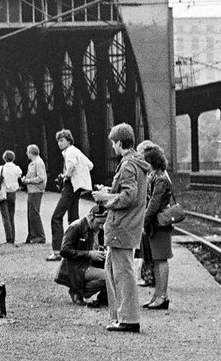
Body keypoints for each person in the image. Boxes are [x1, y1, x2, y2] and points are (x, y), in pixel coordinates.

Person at [90, 123, 149, 334]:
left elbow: (129, 196)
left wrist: (107, 197)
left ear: (119, 142)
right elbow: (127, 192)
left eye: (113, 143)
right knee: (113, 268)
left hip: (122, 226)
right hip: (124, 225)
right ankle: (119, 316)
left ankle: (129, 319)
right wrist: (110, 190)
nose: (113, 147)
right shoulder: (136, 163)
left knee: (122, 271)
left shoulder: (127, 165)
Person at [137, 140, 173, 310]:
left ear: (153, 162)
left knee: (161, 259)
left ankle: (163, 296)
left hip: (160, 223)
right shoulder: (156, 176)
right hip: (156, 224)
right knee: (157, 260)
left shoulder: (160, 179)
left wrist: (143, 221)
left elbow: (154, 203)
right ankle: (157, 295)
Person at [47, 129, 93, 262]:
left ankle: (57, 251)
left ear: (68, 140)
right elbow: (90, 165)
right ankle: (77, 247)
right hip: (77, 187)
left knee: (56, 217)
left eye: (62, 140)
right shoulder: (76, 150)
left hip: (70, 185)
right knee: (73, 218)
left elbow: (72, 166)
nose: (59, 143)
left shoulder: (70, 152)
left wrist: (65, 175)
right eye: (58, 141)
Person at [55, 204, 108, 306]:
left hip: (90, 265)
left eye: (103, 223)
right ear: (91, 217)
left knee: (114, 272)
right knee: (108, 276)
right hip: (77, 266)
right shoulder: (75, 227)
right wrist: (88, 254)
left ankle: (103, 298)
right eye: (99, 223)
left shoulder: (99, 230)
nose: (101, 226)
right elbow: (64, 250)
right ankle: (77, 291)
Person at [0, 150, 23, 245]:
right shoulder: (17, 168)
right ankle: (13, 237)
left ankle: (9, 238)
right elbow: (19, 175)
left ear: (4, 158)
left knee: (5, 216)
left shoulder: (1, 168)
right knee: (11, 215)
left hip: (4, 193)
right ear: (13, 158)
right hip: (13, 193)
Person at [20, 144, 47, 245]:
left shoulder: (38, 163)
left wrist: (27, 181)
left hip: (36, 191)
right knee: (31, 214)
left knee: (34, 214)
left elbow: (41, 178)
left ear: (31, 153)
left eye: (27, 151)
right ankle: (33, 236)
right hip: (32, 190)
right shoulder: (34, 163)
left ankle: (40, 237)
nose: (26, 153)